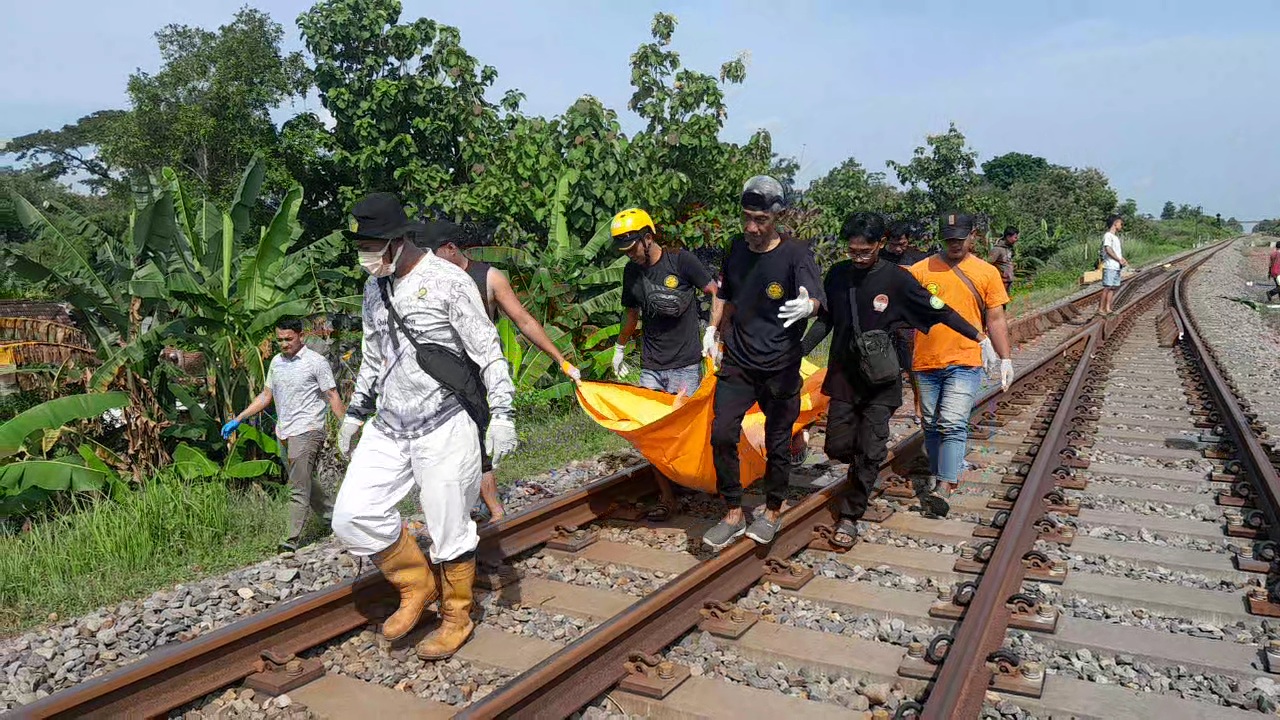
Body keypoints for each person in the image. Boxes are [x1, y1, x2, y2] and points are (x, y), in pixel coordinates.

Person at [333, 192, 517, 661]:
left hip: (444, 423)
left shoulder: (447, 282)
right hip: (390, 424)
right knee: (352, 515)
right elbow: (374, 356)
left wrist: (503, 414)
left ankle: (457, 614)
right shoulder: (375, 287)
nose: (366, 256)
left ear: (399, 241)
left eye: (373, 246)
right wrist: (355, 414)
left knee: (449, 527)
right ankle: (416, 585)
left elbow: (487, 349)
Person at [802, 212, 983, 546]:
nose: (857, 257)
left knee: (870, 450)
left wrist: (978, 338)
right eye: (852, 251)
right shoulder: (838, 275)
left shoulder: (897, 279)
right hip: (844, 375)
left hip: (880, 380)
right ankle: (861, 464)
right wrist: (798, 351)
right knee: (837, 446)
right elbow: (826, 320)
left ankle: (851, 515)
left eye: (864, 251)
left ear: (880, 244)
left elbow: (938, 309)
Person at [423, 219, 582, 523]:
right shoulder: (427, 280)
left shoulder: (489, 278)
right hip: (435, 378)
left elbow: (524, 320)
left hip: (475, 376)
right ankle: (461, 512)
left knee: (479, 443)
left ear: (451, 248)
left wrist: (560, 360)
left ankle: (496, 511)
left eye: (434, 255)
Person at [702, 175, 826, 551]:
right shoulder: (736, 248)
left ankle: (772, 509)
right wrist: (712, 330)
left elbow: (814, 297)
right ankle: (733, 512)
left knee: (776, 442)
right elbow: (725, 294)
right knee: (722, 433)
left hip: (780, 363)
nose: (752, 228)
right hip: (738, 359)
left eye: (761, 220)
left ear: (778, 216)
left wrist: (811, 305)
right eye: (747, 218)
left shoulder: (797, 254)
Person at [610, 207, 720, 520]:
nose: (630, 255)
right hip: (651, 366)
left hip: (685, 364)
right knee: (651, 434)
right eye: (625, 251)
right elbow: (631, 314)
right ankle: (667, 497)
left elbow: (716, 292)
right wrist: (619, 347)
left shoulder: (681, 262)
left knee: (690, 430)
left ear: (648, 238)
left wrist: (712, 331)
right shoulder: (632, 273)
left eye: (632, 248)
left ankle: (705, 480)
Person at [908, 213, 1013, 511]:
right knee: (930, 423)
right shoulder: (920, 270)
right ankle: (939, 471)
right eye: (949, 238)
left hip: (966, 358)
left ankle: (946, 484)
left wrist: (1005, 358)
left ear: (973, 236)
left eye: (960, 238)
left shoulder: (986, 272)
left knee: (953, 422)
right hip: (926, 359)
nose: (954, 244)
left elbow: (995, 318)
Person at [222, 318, 345, 553]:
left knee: (297, 486)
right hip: (284, 432)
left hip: (308, 430)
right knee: (304, 480)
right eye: (279, 340)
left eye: (288, 339)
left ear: (301, 336)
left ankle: (291, 540)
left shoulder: (316, 362)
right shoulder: (276, 363)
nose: (284, 344)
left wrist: (348, 428)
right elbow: (266, 396)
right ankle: (336, 518)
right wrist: (239, 418)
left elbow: (332, 396)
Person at [1099, 214, 1127, 315]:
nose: (1121, 225)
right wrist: (1118, 259)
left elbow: (1116, 252)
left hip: (1116, 267)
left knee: (1113, 288)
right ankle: (1101, 309)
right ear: (1115, 223)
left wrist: (1122, 259)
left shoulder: (1115, 237)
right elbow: (1108, 249)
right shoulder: (1108, 236)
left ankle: (1108, 308)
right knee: (1107, 287)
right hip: (1110, 266)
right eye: (1120, 223)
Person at [989, 226, 1018, 293]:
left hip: (1008, 281)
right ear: (1008, 237)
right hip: (1001, 282)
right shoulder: (997, 250)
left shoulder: (1008, 249)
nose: (1016, 239)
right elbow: (988, 265)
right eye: (1015, 237)